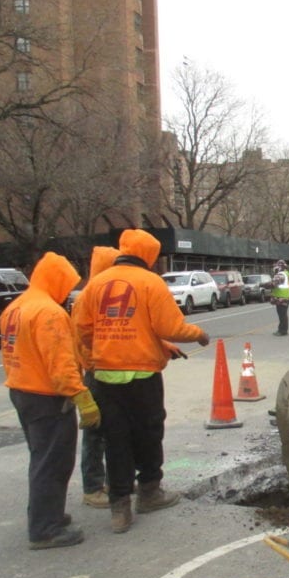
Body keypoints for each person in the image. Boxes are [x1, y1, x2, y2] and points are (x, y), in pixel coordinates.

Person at [72, 229, 209, 534]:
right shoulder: (150, 283)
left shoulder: (96, 284)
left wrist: (97, 358)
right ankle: (149, 492)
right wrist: (198, 334)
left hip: (106, 376)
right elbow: (169, 326)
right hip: (143, 376)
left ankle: (119, 507)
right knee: (148, 432)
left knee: (115, 439)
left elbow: (81, 329)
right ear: (148, 255)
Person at [0, 251, 100, 550]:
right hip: (47, 397)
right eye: (66, 284)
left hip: (22, 392)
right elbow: (60, 363)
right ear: (55, 280)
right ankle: (45, 529)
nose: (68, 291)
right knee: (53, 462)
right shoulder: (49, 313)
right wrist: (82, 397)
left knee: (40, 457)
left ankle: (46, 514)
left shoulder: (16, 307)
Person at [72, 246, 120, 509]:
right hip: (97, 373)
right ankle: (93, 487)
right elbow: (83, 339)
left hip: (108, 370)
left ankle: (115, 481)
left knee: (115, 430)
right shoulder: (90, 297)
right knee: (96, 433)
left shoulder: (104, 294)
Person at [270, 260, 289, 336]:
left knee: (282, 315)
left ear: (280, 267)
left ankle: (282, 330)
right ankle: (283, 329)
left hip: (281, 298)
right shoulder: (286, 273)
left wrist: (261, 285)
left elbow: (273, 284)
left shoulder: (281, 274)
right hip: (285, 297)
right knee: (283, 315)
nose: (274, 268)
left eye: (276, 266)